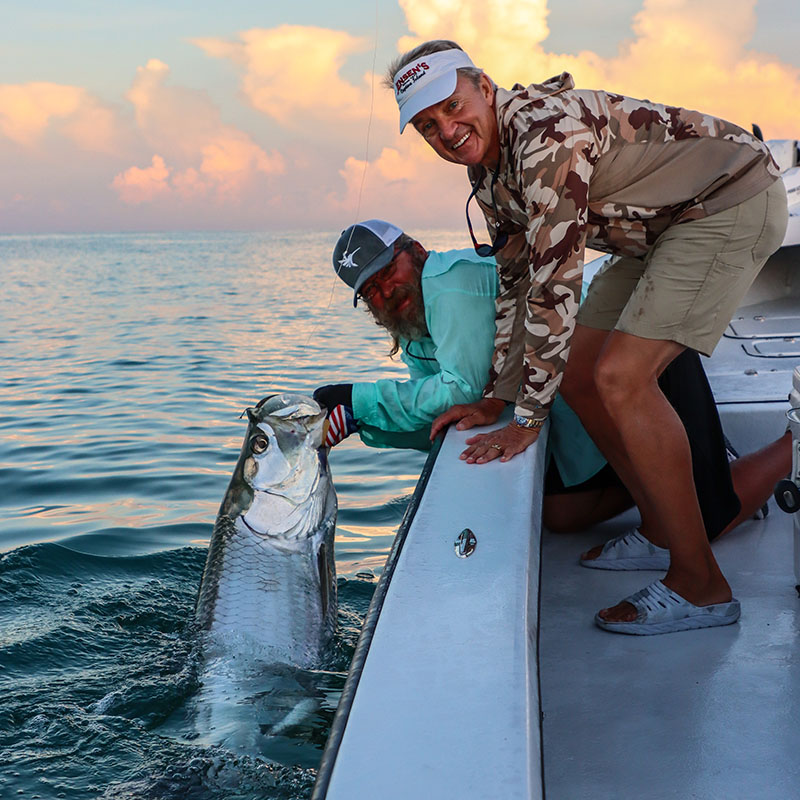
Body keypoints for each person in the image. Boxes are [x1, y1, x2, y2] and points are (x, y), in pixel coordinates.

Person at [386, 41, 789, 634]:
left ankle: (700, 584)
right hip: (662, 227)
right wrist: (500, 396)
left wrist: (526, 422)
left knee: (621, 378)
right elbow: (516, 281)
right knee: (577, 371)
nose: (446, 130)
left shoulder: (542, 138)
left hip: (728, 201)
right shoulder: (489, 172)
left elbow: (554, 288)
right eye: (428, 125)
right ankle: (658, 528)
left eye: (451, 106)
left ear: (484, 86)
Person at [314, 219, 790, 549]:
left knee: (710, 521)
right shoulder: (413, 323)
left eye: (387, 273)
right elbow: (447, 412)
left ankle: (789, 444)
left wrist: (357, 403)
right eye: (369, 291)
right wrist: (360, 423)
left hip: (633, 368)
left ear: (415, 252)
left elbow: (459, 390)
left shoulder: (447, 285)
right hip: (580, 406)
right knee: (559, 516)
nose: (385, 292)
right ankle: (661, 475)